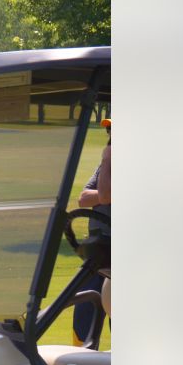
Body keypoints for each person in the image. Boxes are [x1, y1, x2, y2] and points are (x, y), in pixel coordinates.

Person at [72, 118, 112, 344]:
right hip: (98, 253)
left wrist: (107, 158)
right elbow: (83, 198)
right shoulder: (105, 166)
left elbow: (104, 196)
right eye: (109, 131)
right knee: (83, 312)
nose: (110, 136)